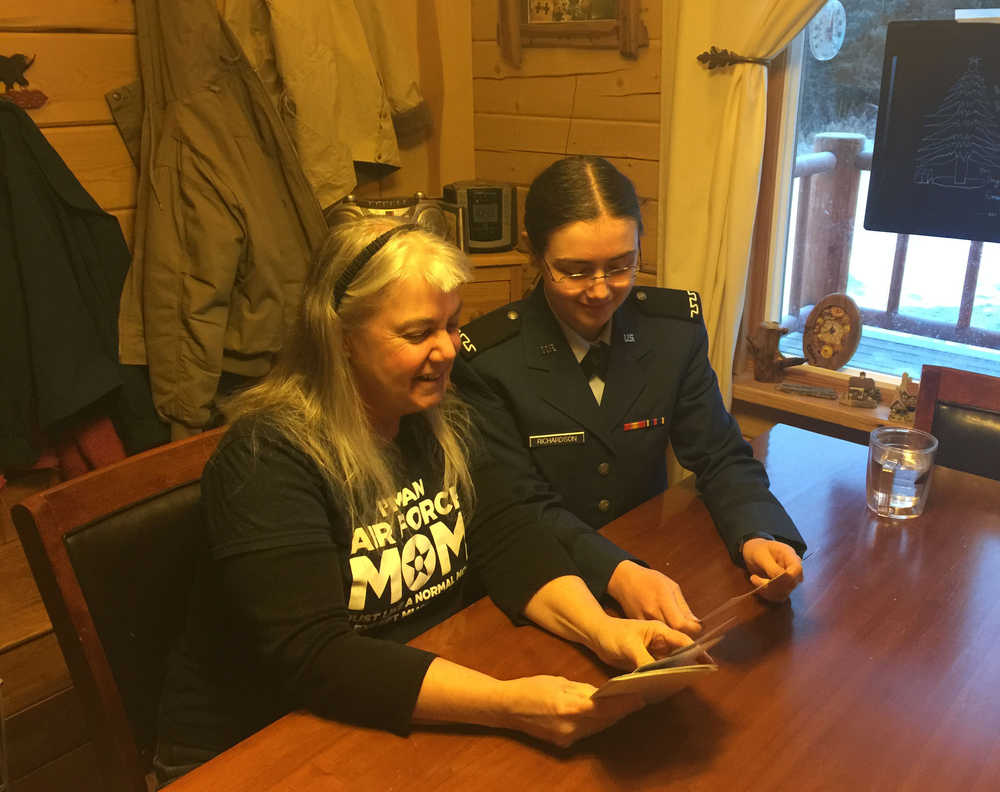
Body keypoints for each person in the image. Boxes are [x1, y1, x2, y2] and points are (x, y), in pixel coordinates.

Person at [153, 218, 693, 785]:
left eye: (452, 325)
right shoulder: (266, 456)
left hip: (393, 702)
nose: (447, 351)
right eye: (417, 334)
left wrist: (602, 631)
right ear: (338, 337)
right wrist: (507, 704)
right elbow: (317, 655)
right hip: (254, 743)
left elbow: (511, 538)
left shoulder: (439, 417)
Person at [459, 156, 806, 625]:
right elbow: (517, 507)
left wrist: (758, 532)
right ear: (534, 254)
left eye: (621, 266)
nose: (601, 291)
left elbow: (720, 455)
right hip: (541, 583)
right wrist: (618, 574)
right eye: (575, 270)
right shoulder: (487, 361)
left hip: (653, 566)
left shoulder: (672, 334)